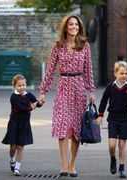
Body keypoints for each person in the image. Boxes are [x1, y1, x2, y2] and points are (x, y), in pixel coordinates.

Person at [38, 15, 95, 178]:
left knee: (77, 128)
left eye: (76, 24)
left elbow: (89, 70)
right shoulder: (57, 46)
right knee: (62, 127)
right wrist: (43, 92)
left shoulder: (85, 46)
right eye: (70, 24)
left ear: (79, 27)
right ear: (65, 27)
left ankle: (72, 164)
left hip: (78, 88)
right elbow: (49, 71)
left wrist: (91, 91)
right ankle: (63, 164)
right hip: (63, 87)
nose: (74, 27)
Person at [96, 61, 127, 178]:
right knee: (112, 145)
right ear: (115, 73)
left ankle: (121, 168)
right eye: (121, 73)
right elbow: (103, 101)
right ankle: (113, 158)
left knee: (122, 145)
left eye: (126, 73)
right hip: (113, 119)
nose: (124, 76)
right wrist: (100, 114)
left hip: (125, 119)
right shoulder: (110, 88)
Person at [2, 74, 44, 176]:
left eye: (24, 85)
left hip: (24, 124)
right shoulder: (13, 97)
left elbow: (35, 103)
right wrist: (32, 108)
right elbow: (21, 109)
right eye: (19, 86)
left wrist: (40, 103)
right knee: (13, 147)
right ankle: (12, 159)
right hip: (14, 124)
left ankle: (17, 168)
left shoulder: (28, 94)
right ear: (15, 86)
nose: (22, 87)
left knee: (21, 147)